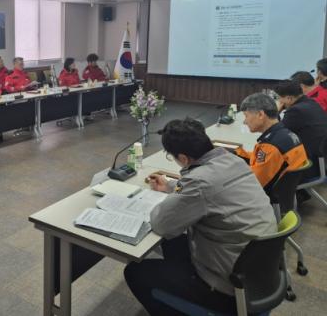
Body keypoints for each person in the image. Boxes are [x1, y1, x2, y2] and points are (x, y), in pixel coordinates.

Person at [124, 118, 276, 316]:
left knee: (136, 272)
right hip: (258, 270)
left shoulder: (198, 182)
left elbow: (161, 224)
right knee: (174, 241)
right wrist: (170, 187)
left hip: (229, 289)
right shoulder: (233, 160)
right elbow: (210, 189)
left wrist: (171, 197)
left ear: (183, 158)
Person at [236, 93, 308, 194]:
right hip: (286, 190)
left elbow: (253, 184)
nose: (245, 121)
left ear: (260, 115)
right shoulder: (285, 134)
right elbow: (262, 159)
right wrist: (238, 153)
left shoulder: (271, 146)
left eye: (246, 116)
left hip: (268, 196)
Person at [274, 80, 327, 180]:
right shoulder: (312, 103)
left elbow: (276, 133)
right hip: (321, 160)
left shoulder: (296, 111)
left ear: (289, 98)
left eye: (280, 98)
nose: (279, 101)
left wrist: (275, 112)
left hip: (309, 165)